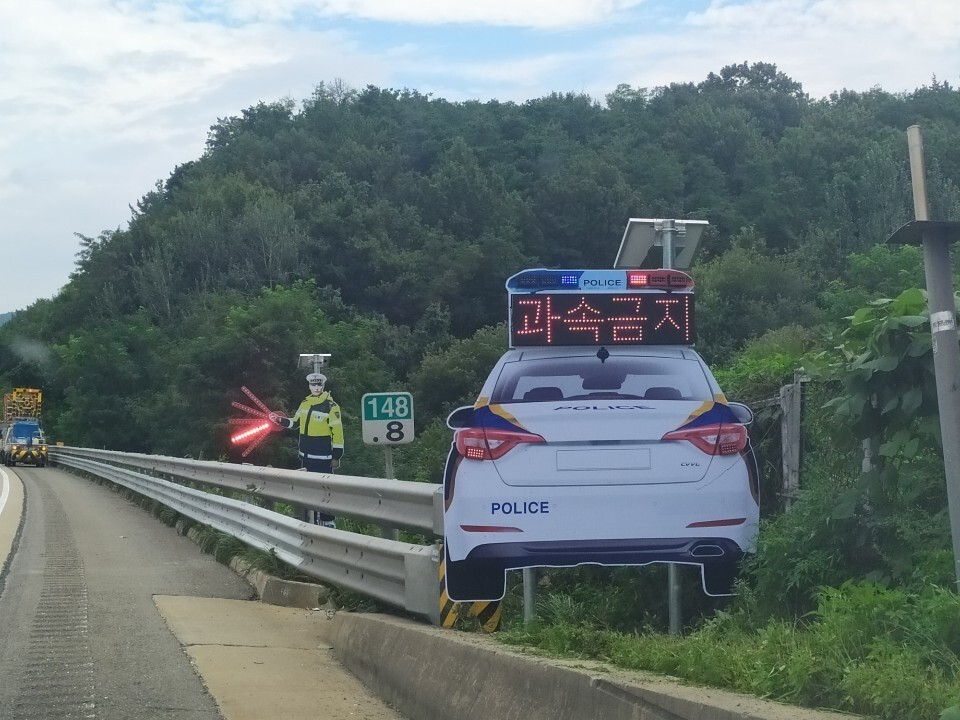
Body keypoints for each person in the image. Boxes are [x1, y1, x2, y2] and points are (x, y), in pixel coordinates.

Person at [269, 372, 344, 528]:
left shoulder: (331, 406)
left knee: (325, 489)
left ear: (323, 386)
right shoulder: (305, 404)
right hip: (306, 456)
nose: (316, 387)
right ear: (309, 386)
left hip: (324, 457)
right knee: (308, 489)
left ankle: (328, 520)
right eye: (313, 385)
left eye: (319, 385)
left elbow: (338, 433)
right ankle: (308, 518)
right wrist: (279, 420)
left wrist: (336, 456)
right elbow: (295, 422)